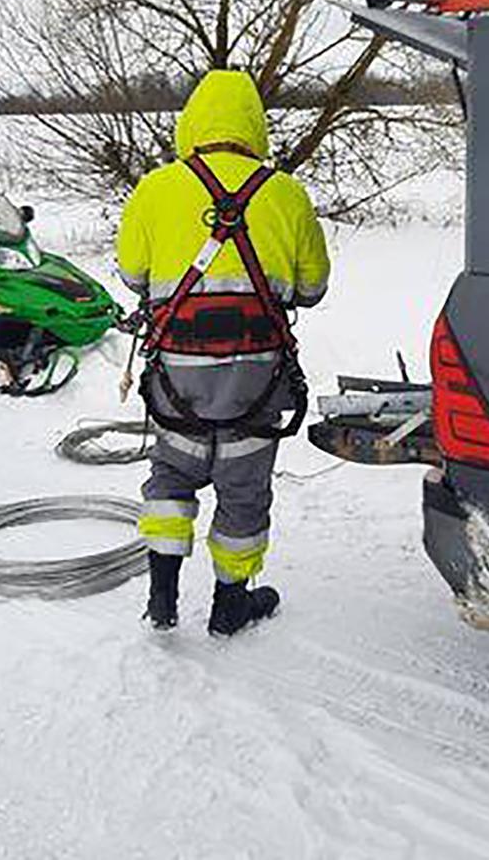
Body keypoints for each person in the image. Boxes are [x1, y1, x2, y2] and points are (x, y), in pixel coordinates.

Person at [117, 71, 330, 637]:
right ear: (254, 125)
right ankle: (229, 605)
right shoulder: (286, 193)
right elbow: (313, 289)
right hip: (255, 376)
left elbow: (132, 274)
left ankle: (162, 597)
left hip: (177, 375)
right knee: (243, 486)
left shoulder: (155, 188)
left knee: (171, 474)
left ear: (192, 122)